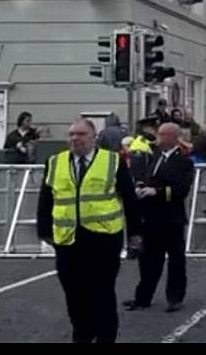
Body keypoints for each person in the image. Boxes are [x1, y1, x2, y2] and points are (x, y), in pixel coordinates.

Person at [36, 119, 142, 343]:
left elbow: (129, 199)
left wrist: (135, 234)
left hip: (103, 239)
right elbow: (46, 199)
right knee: (74, 295)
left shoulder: (112, 161)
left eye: (81, 134)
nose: (75, 139)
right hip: (67, 240)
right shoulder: (55, 162)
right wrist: (44, 231)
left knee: (102, 293)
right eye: (72, 134)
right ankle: (82, 334)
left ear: (94, 137)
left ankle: (105, 337)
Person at [124, 123, 195, 314]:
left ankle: (174, 298)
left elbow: (181, 190)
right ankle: (143, 297)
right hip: (151, 217)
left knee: (175, 261)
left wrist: (156, 191)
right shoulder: (153, 157)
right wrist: (140, 186)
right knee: (147, 260)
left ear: (173, 138)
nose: (159, 138)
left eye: (163, 135)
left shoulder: (184, 162)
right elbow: (147, 178)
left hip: (171, 218)